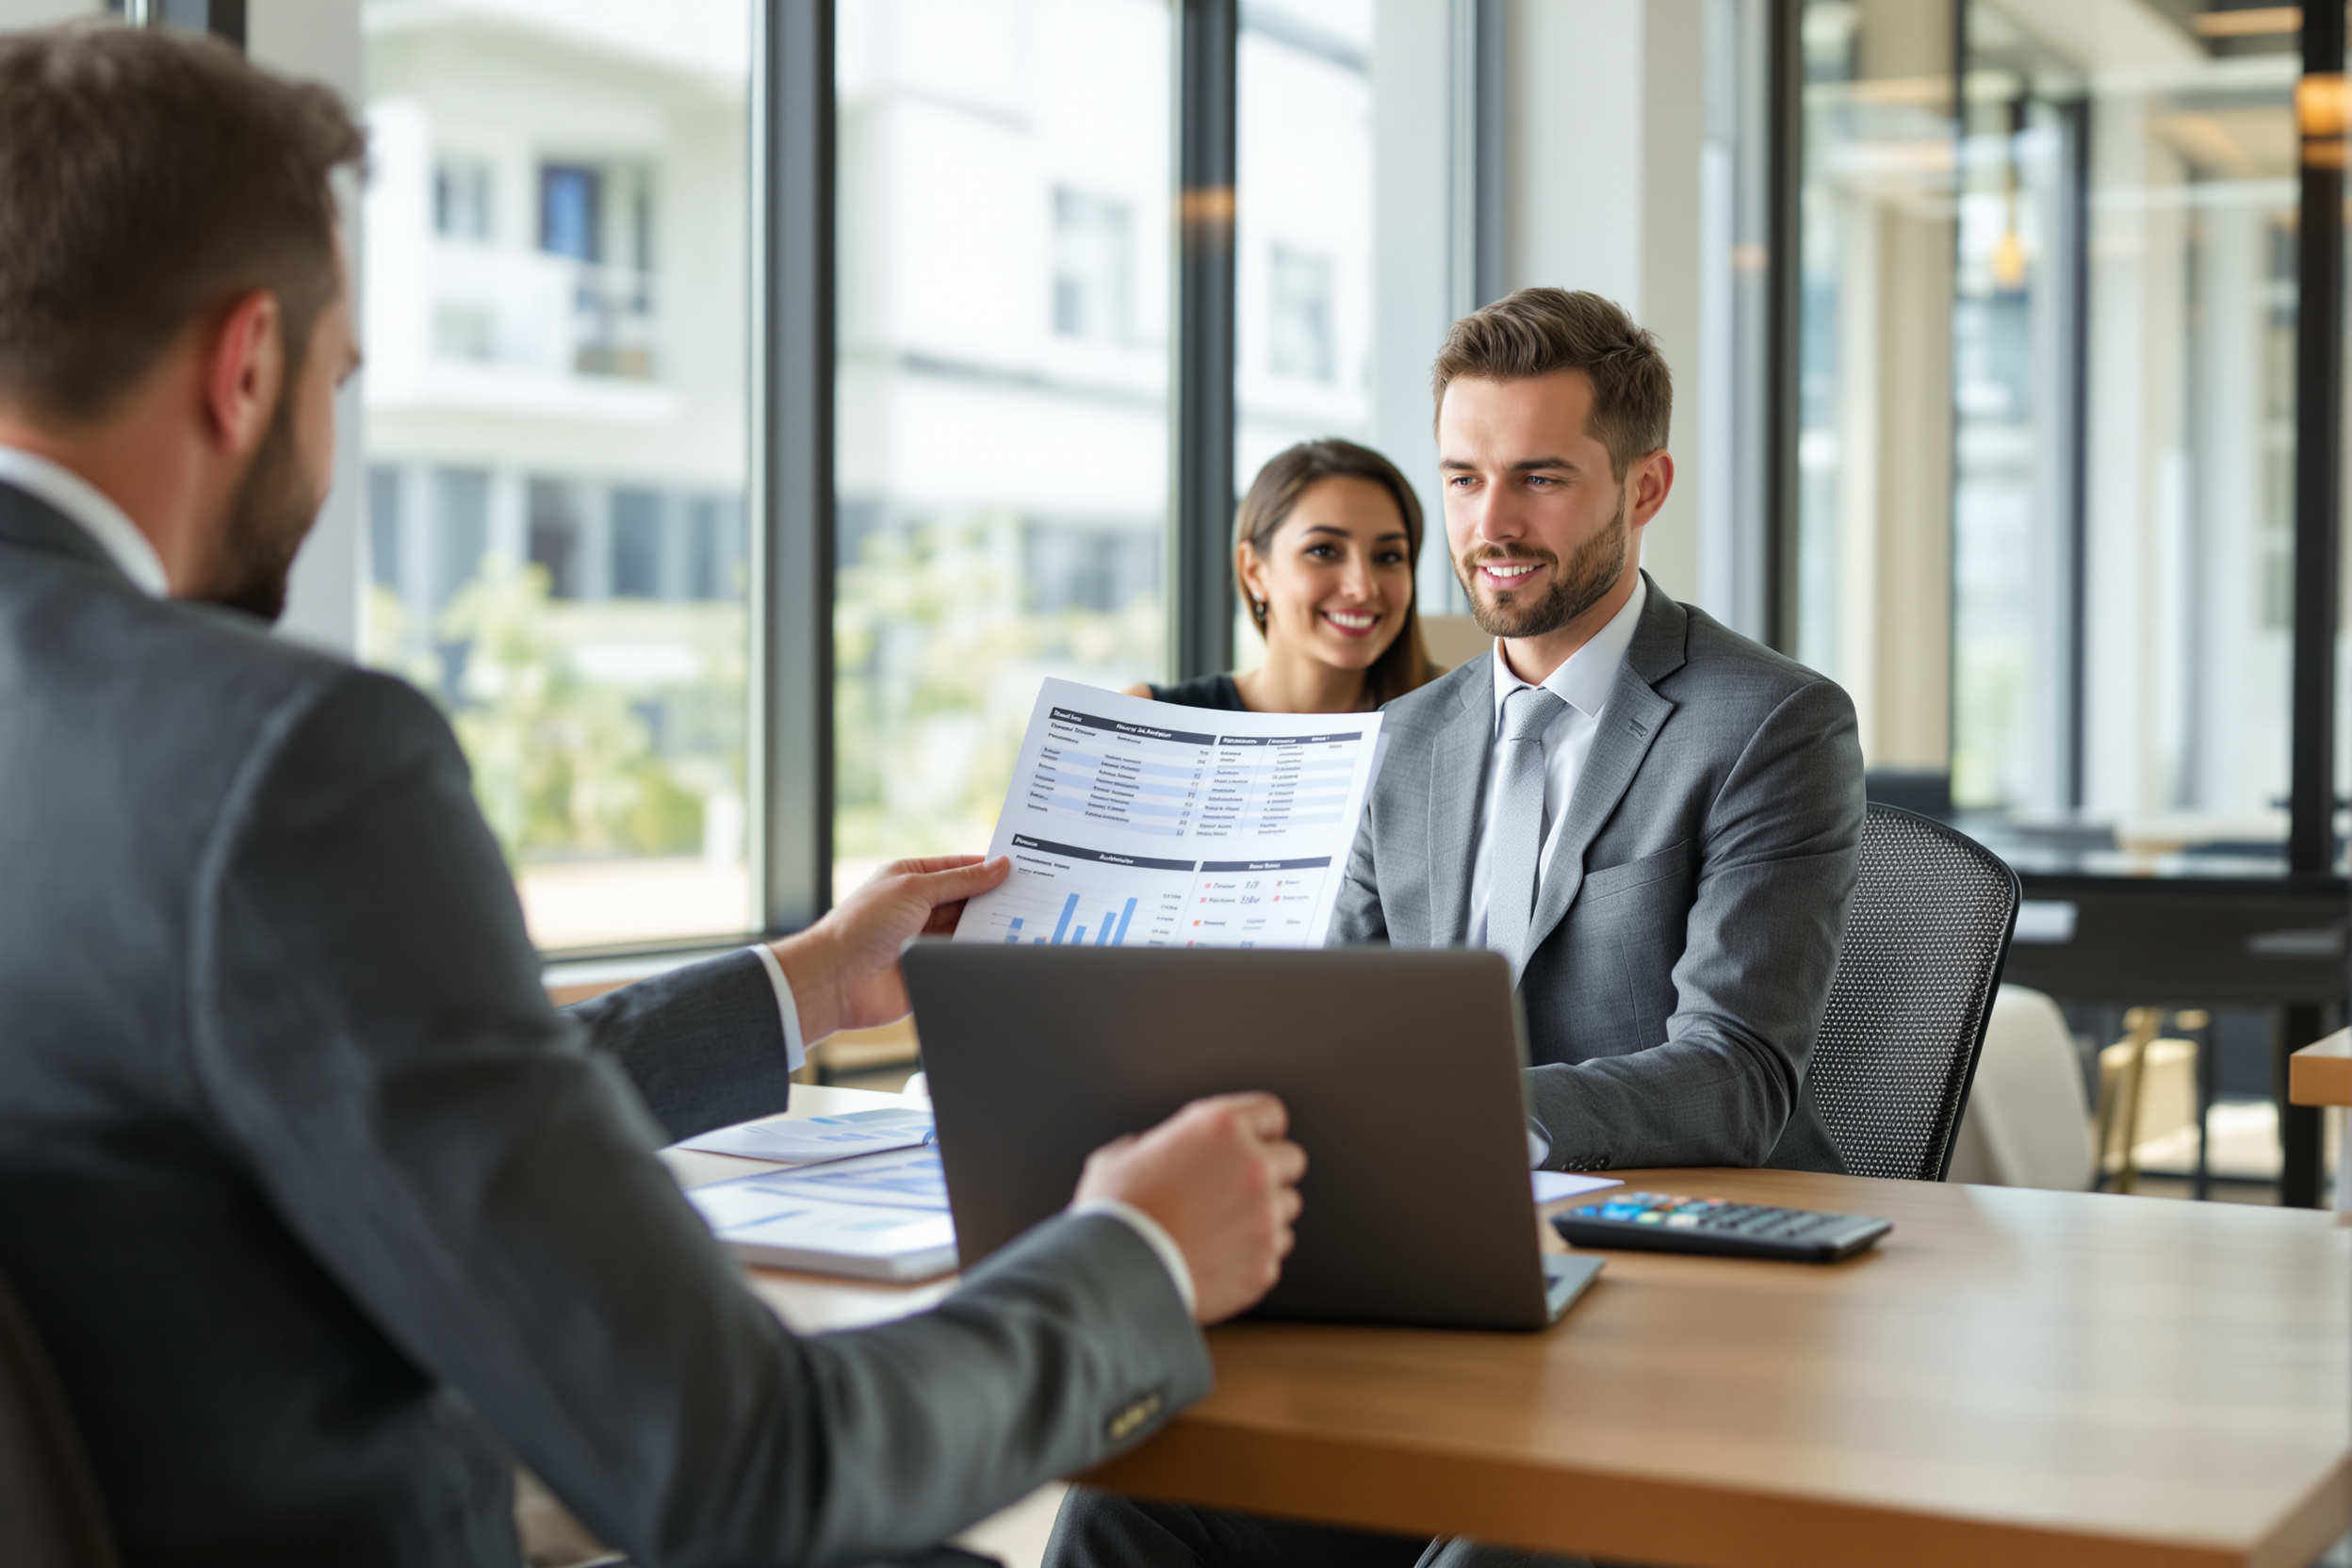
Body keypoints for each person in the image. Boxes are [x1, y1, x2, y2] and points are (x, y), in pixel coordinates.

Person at [0, 26, 1307, 1568]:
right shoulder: (281, 759)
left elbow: (386, 1089)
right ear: (246, 366)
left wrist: (807, 981)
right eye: (339, 376)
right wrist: (1136, 1252)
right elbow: (740, 1466)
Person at [1047, 292, 1865, 1568]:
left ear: (1644, 488)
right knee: (1130, 1490)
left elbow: (1740, 1075)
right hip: (1435, 1289)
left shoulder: (1769, 724)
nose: (1490, 526)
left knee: (1493, 1546)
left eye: (1539, 477)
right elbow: (1339, 1020)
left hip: (1666, 1302)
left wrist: (1458, 1123)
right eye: (1466, 478)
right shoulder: (1405, 742)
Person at [1131, 438, 1438, 713]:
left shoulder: (1465, 721)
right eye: (1323, 551)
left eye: (1388, 557)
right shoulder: (1143, 717)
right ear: (1254, 571)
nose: (1363, 587)